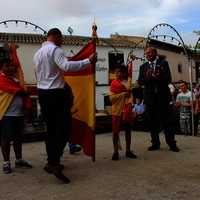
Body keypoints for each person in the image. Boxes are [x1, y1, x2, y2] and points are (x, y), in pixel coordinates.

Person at [33, 28, 97, 183]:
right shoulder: (55, 50)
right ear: (57, 36)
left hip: (43, 92)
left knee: (51, 128)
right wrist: (89, 61)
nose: (62, 42)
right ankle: (53, 162)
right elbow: (66, 66)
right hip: (55, 93)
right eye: (61, 39)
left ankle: (52, 159)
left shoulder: (37, 53)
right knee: (66, 127)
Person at [138, 47, 179, 152]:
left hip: (163, 97)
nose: (147, 54)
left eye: (149, 52)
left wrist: (159, 77)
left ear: (155, 53)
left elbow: (168, 78)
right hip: (150, 98)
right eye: (146, 53)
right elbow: (140, 82)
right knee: (152, 122)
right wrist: (147, 78)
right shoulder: (143, 67)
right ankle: (155, 143)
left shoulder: (164, 63)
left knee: (167, 121)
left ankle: (171, 143)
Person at [0, 58, 33, 174]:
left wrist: (27, 107)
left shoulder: (17, 79)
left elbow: (23, 92)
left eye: (12, 66)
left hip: (19, 114)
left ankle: (19, 160)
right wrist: (24, 90)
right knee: (5, 139)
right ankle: (6, 162)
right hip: (7, 114)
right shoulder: (1, 79)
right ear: (1, 68)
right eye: (7, 65)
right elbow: (15, 91)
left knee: (18, 138)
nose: (11, 68)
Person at [109, 64, 137, 161]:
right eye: (115, 71)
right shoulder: (113, 83)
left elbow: (130, 96)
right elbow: (112, 98)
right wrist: (123, 94)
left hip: (127, 109)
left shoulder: (128, 83)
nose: (116, 73)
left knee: (128, 130)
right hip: (117, 110)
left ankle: (128, 150)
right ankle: (115, 151)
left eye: (118, 71)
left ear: (124, 73)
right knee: (115, 131)